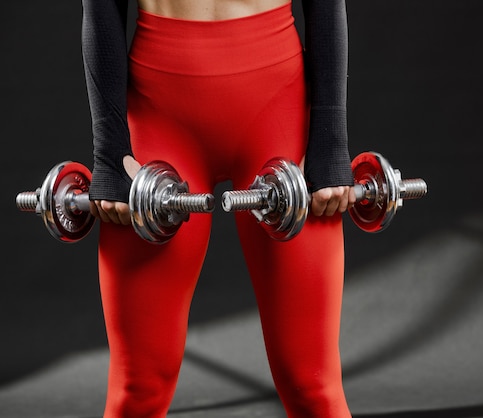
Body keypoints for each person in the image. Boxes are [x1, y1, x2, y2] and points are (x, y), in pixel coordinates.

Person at [81, 0, 356, 416]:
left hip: (275, 105)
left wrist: (331, 142)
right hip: (160, 108)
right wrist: (110, 150)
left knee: (312, 385)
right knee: (139, 387)